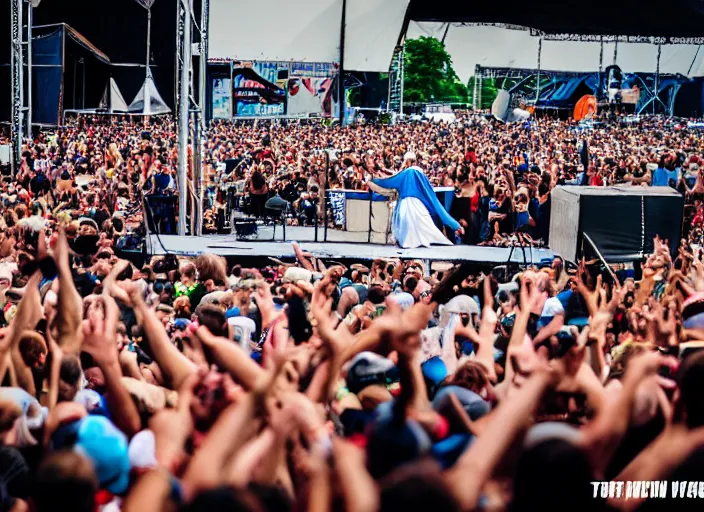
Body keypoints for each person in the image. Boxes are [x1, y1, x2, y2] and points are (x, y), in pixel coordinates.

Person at [368, 153, 462, 248]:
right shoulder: (419, 173)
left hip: (405, 207)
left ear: (406, 161)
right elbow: (434, 201)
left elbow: (389, 181)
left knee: (407, 239)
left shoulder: (406, 173)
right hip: (418, 207)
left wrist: (373, 179)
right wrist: (455, 225)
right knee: (424, 237)